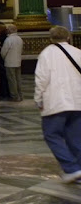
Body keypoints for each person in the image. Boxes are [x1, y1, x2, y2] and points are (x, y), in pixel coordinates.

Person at [34, 26, 81, 184]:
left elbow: (41, 79)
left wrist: (38, 98)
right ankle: (79, 168)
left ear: (51, 38)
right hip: (77, 100)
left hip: (56, 101)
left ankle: (71, 168)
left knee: (52, 134)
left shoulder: (46, 54)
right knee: (75, 137)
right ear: (68, 37)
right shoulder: (77, 52)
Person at [0, 24, 23, 102]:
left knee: (11, 80)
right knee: (18, 79)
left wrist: (3, 58)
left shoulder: (9, 39)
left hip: (9, 62)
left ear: (9, 30)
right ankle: (20, 94)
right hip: (18, 61)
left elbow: (3, 51)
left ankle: (14, 95)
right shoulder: (19, 38)